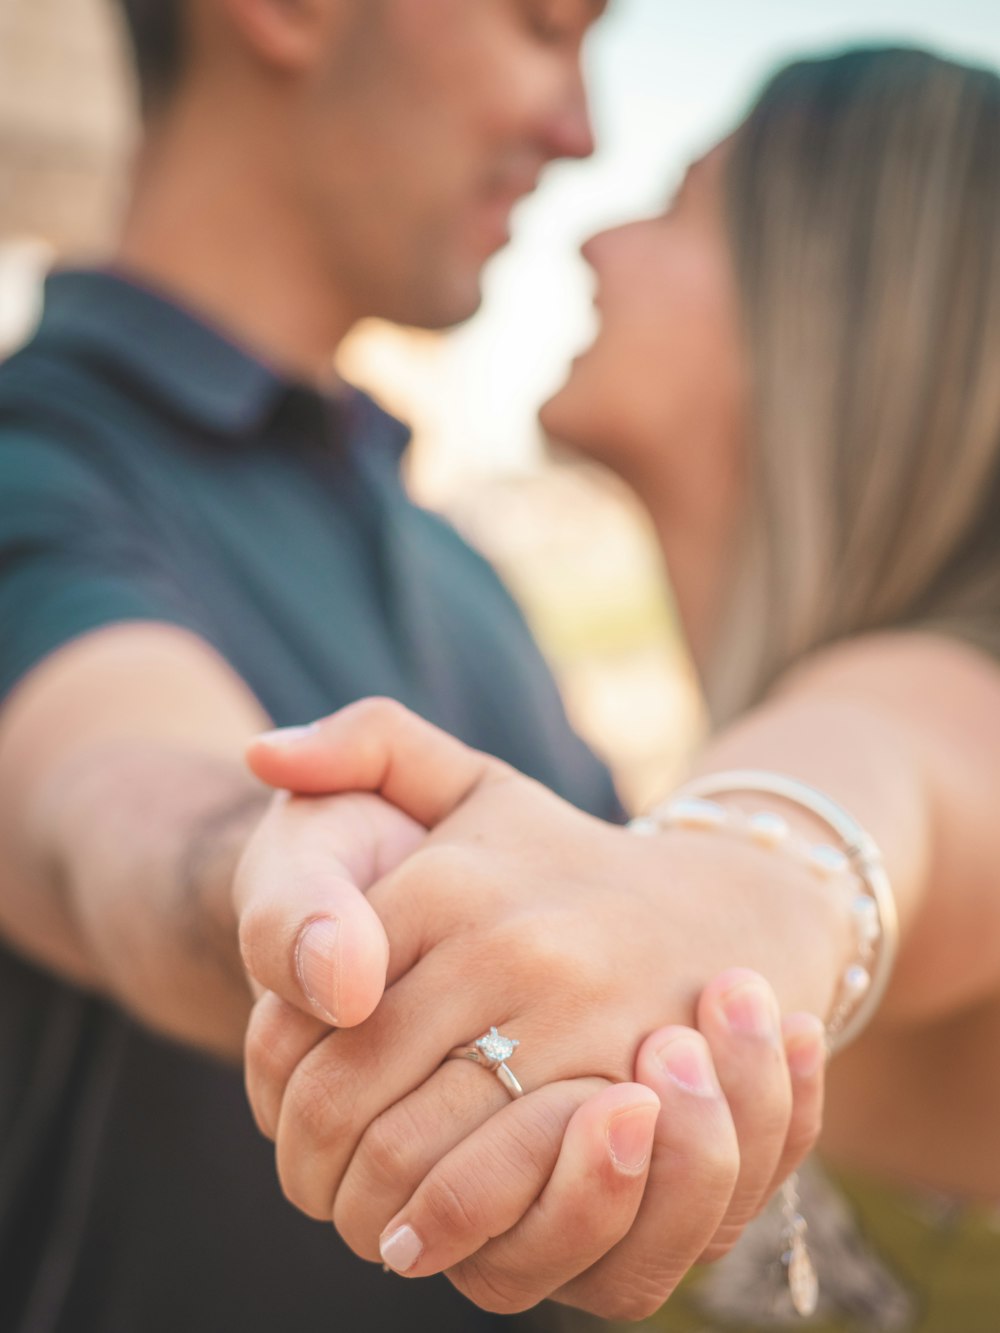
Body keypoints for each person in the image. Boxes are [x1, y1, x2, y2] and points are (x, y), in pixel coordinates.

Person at [240, 46, 1000, 1331]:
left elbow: (871, 785)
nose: (597, 242)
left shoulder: (951, 690)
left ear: (824, 308)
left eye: (681, 203)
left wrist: (697, 899)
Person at [0, 2, 628, 1330]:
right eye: (542, 25)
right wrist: (277, 874)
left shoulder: (455, 557)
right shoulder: (33, 468)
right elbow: (106, 794)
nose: (581, 130)